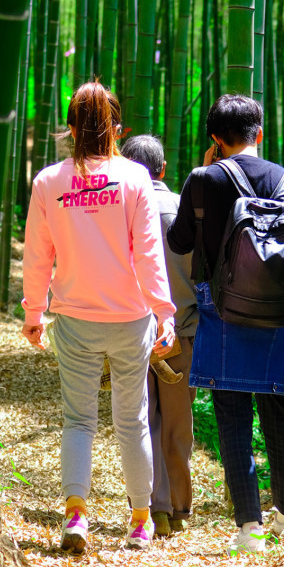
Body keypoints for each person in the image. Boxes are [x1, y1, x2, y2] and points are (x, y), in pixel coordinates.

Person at [167, 94, 284, 554]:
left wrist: (200, 184)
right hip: (279, 313)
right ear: (260, 134)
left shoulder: (203, 179)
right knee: (280, 417)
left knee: (233, 419)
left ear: (216, 140)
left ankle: (248, 529)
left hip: (221, 309)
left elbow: (178, 240)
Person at [21, 82, 176, 554]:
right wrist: (163, 313)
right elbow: (150, 255)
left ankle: (76, 516)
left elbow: (36, 256)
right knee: (132, 420)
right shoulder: (134, 180)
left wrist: (33, 312)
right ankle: (140, 521)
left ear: (69, 130)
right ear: (116, 128)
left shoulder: (48, 182)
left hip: (75, 319)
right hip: (131, 320)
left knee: (78, 421)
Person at [120, 134, 198, 538]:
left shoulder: (118, 209)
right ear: (163, 169)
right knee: (177, 422)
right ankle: (175, 508)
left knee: (140, 419)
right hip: (182, 330)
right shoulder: (186, 209)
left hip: (131, 331)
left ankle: (148, 507)